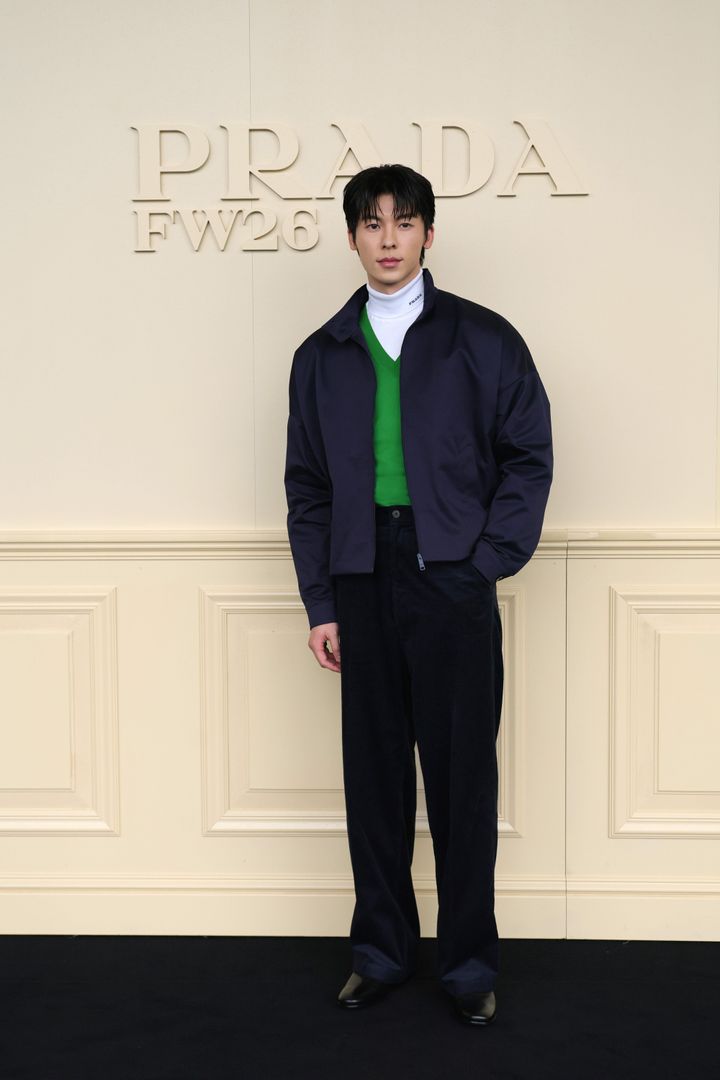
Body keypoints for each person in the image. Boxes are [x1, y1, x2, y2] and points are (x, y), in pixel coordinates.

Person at [283, 164, 553, 1026]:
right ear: (352, 237)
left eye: (404, 223)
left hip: (452, 576)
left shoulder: (485, 339)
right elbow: (308, 489)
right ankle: (382, 954)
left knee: (462, 777)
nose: (388, 239)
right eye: (372, 224)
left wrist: (484, 562)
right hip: (360, 574)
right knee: (374, 780)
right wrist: (322, 602)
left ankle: (469, 967)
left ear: (430, 234)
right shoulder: (320, 355)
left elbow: (528, 457)